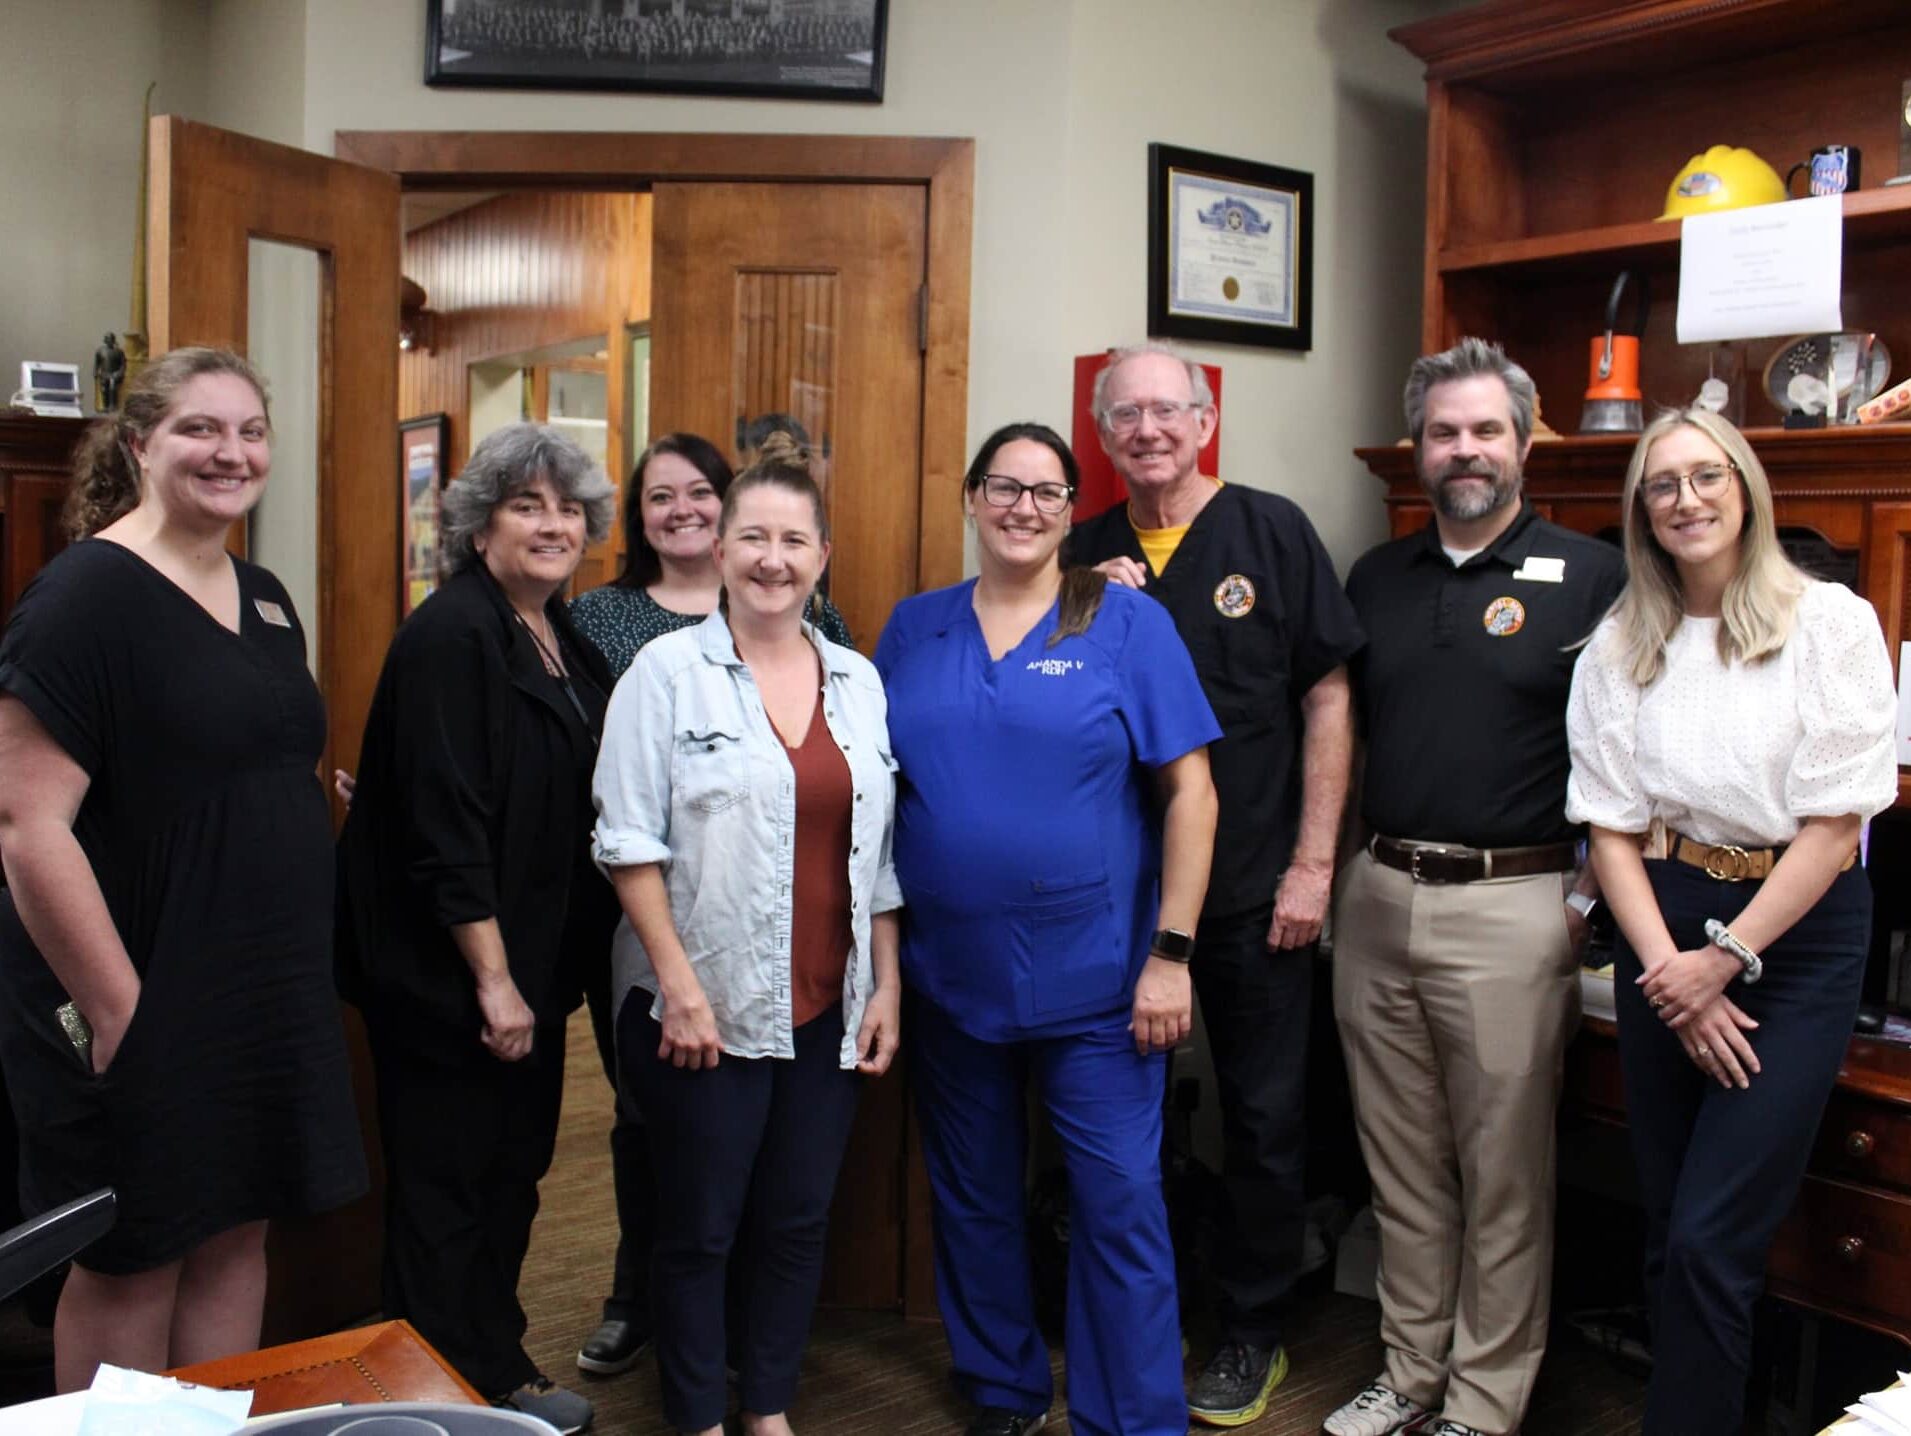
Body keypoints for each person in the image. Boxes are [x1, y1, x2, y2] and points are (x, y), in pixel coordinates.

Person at [0, 346, 366, 1390]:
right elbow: (28, 825)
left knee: (234, 1238)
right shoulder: (84, 598)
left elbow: (244, 759)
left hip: (257, 990)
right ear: (139, 443)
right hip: (142, 990)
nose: (231, 451)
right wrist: (119, 1009)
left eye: (251, 431)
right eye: (201, 429)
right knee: (136, 1259)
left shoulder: (266, 598)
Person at [878, 422, 1221, 1436]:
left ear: (1073, 510)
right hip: (950, 975)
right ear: (974, 499)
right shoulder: (913, 628)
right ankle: (1002, 1383)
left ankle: (1130, 1414)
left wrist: (1171, 953)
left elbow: (1191, 795)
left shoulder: (1122, 623)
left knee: (1119, 1204)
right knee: (973, 1194)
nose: (1023, 505)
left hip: (1103, 984)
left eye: (1048, 490)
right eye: (1004, 485)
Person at [1567, 408, 1896, 1434]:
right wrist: (1672, 968)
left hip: (1795, 932)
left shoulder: (1830, 622)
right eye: (1661, 485)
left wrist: (1729, 958)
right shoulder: (1623, 642)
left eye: (1706, 476)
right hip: (1664, 922)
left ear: (1745, 488)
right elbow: (1610, 829)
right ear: (1641, 513)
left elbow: (1837, 824)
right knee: (1672, 1228)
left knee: (1715, 1235)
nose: (1686, 499)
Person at [1328, 337, 1625, 1436]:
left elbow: (1625, 754)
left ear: (1524, 440)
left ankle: (1485, 1400)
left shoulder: (1592, 576)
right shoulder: (1376, 576)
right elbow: (1341, 735)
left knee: (1503, 1172)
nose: (1465, 449)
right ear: (1419, 447)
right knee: (1400, 1165)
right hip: (1380, 893)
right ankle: (1410, 1374)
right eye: (1444, 431)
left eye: (1485, 429)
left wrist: (1590, 897)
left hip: (1517, 902)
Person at [1066, 342, 1363, 1426]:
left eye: (1167, 409)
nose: (1148, 428)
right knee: (1111, 1116)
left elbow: (1327, 699)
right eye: (1126, 414)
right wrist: (1080, 605)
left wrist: (1314, 863)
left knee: (1264, 1114)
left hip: (1250, 889)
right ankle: (1131, 1304)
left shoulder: (1270, 529)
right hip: (1110, 894)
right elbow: (1039, 698)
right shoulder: (1079, 547)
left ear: (1203, 421)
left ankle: (1253, 1329)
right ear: (1103, 435)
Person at [592, 433, 901, 1436]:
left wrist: (886, 983)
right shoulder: (664, 670)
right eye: (754, 536)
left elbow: (881, 854)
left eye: (795, 540)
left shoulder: (858, 678)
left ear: (822, 556)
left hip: (829, 1004)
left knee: (797, 1217)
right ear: (720, 548)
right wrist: (678, 987)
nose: (774, 558)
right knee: (699, 1227)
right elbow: (626, 842)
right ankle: (697, 1415)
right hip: (704, 1006)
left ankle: (765, 1404)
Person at [336, 423, 618, 1436]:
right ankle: (430, 1398)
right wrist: (494, 980)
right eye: (525, 505)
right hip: (454, 981)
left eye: (568, 508)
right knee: (447, 1191)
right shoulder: (454, 630)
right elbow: (447, 826)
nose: (552, 524)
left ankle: (492, 1368)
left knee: (511, 1176)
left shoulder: (560, 629)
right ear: (478, 522)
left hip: (533, 972)